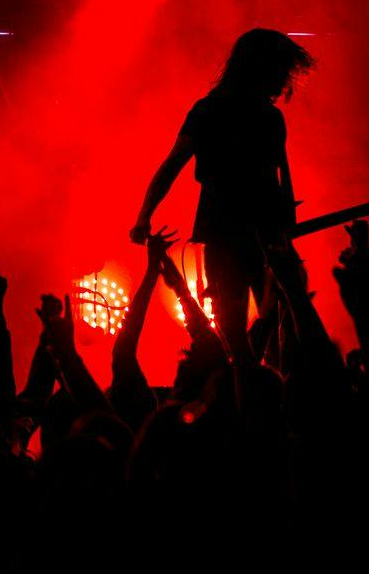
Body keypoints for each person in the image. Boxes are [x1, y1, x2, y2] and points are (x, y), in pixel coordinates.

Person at [130, 28, 314, 361]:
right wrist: (143, 215)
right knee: (248, 326)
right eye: (280, 71)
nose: (283, 81)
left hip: (255, 231)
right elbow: (171, 167)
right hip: (230, 231)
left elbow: (282, 175)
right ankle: (256, 389)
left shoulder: (267, 117)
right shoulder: (211, 112)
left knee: (276, 325)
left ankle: (267, 387)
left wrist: (287, 221)